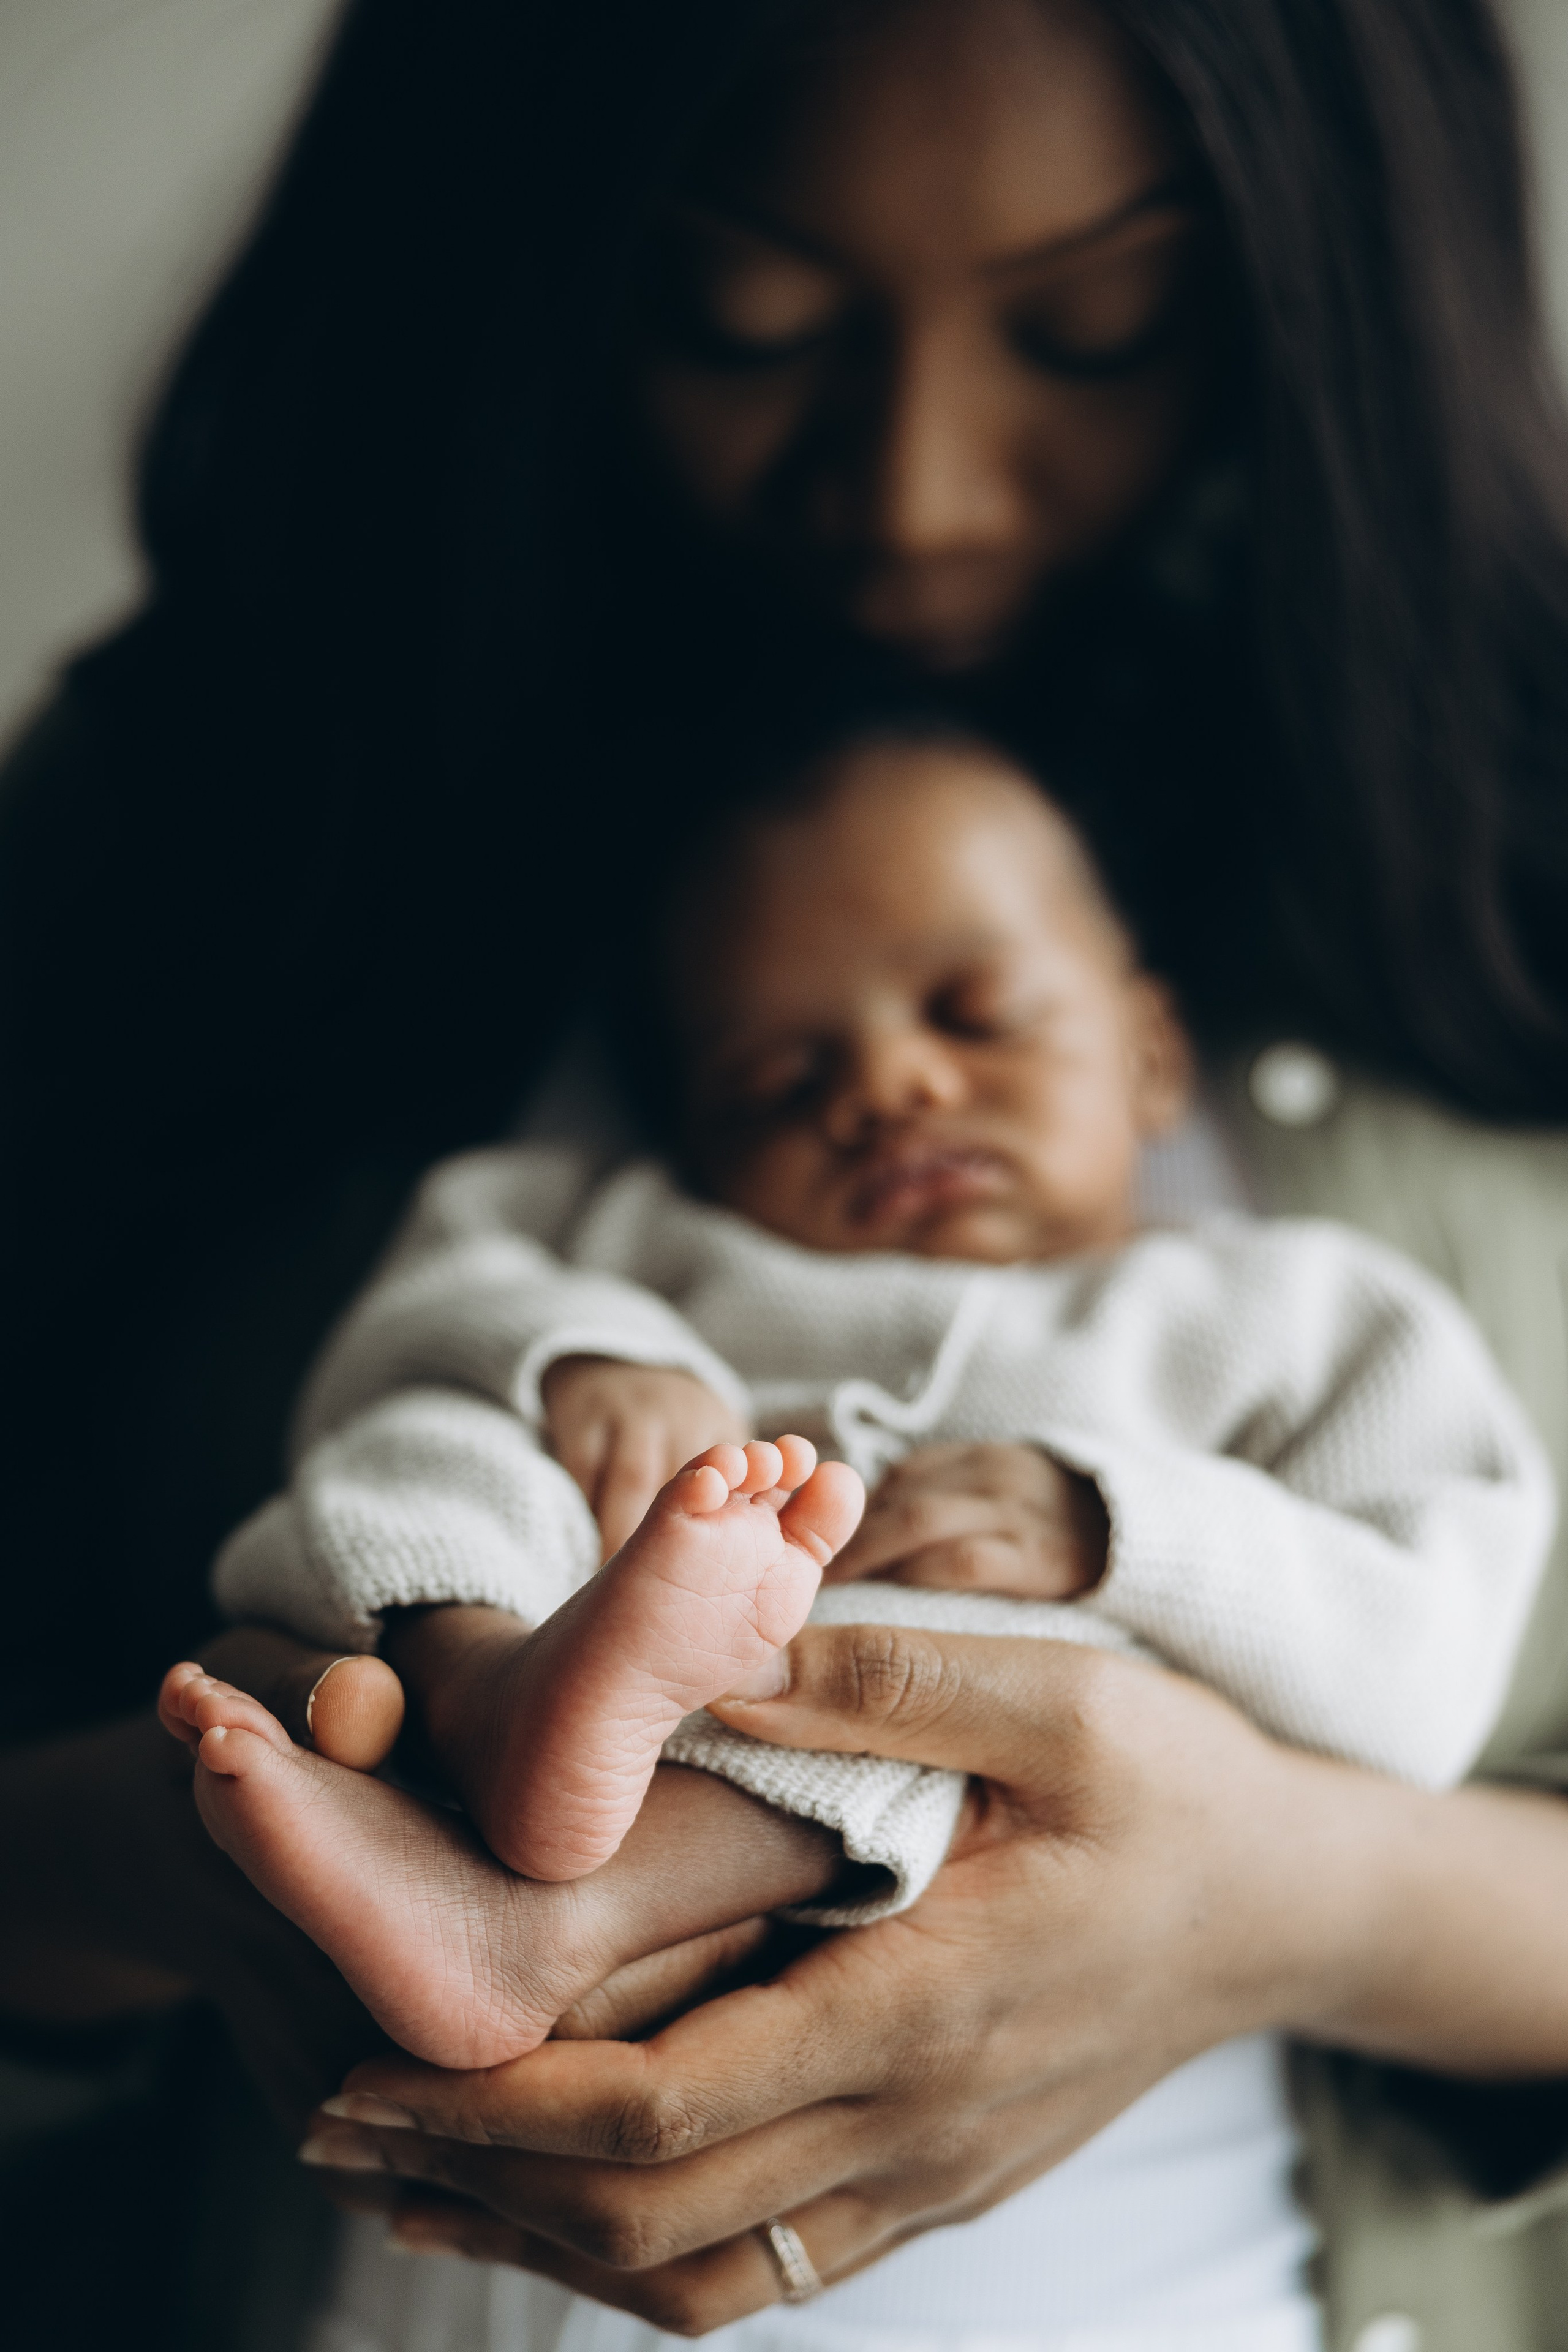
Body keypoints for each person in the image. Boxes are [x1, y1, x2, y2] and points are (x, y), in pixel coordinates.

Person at [6, 1, 1568, 2348]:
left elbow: (1416, 1562)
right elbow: (461, 1313)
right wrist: (177, 1847)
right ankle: (524, 1728)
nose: (924, 489)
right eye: (741, 321)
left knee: (984, 1636)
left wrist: (1305, 1892)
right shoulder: (205, 853)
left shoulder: (1309, 1253)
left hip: (1016, 1844)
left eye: (1094, 328)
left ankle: (556, 1843)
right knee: (442, 1436)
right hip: (454, 1816)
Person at [157, 725, 1553, 2117]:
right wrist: (583, 1357)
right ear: (690, 1144)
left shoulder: (1294, 1312)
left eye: (974, 1015)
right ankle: (490, 1695)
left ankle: (551, 1927)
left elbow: (1422, 1656)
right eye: (779, 1084)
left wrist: (1119, 1532)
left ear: (1147, 1054)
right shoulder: (643, 1240)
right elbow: (429, 1294)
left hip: (907, 1786)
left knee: (1021, 1665)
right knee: (443, 1441)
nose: (888, 1087)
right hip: (532, 1643)